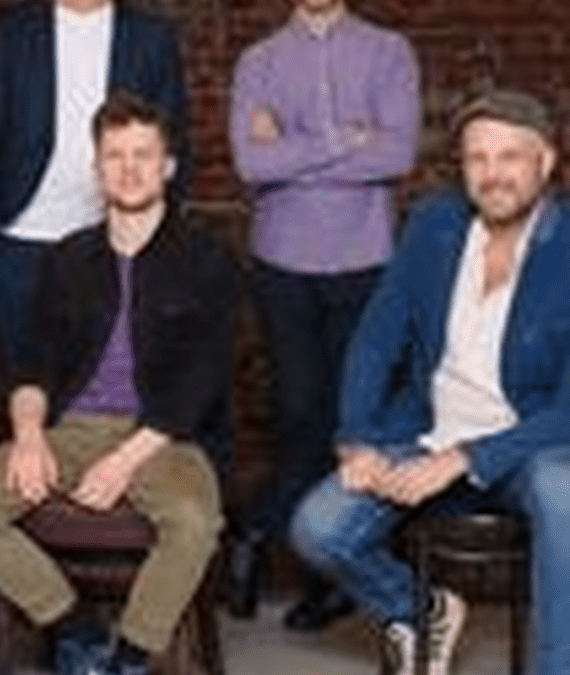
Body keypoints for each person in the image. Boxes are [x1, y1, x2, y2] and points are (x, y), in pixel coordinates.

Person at [0, 90, 232, 675]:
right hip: (70, 430)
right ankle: (75, 625)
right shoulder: (67, 259)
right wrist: (29, 436)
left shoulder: (207, 259)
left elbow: (199, 382)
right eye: (115, 156)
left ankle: (128, 656)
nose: (129, 169)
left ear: (168, 166)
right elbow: (31, 362)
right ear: (97, 170)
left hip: (162, 438)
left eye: (143, 155)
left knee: (194, 522)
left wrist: (122, 462)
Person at [291, 90, 570, 675]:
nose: (493, 175)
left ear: (545, 161)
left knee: (564, 491)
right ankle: (422, 610)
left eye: (510, 157)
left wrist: (467, 457)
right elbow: (377, 337)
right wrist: (357, 437)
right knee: (318, 529)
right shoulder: (433, 224)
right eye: (477, 159)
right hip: (426, 432)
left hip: (528, 449)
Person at [225, 0, 420, 629]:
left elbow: (397, 156)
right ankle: (265, 536)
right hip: (283, 264)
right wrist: (347, 140)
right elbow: (251, 164)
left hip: (366, 262)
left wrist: (292, 148)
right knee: (299, 418)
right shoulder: (258, 61)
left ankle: (313, 567)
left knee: (356, 423)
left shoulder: (389, 51)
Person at [0, 0, 189, 380]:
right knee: (22, 384)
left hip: (113, 242)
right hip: (20, 243)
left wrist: (156, 236)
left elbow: (172, 142)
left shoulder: (152, 37)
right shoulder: (10, 34)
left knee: (104, 383)